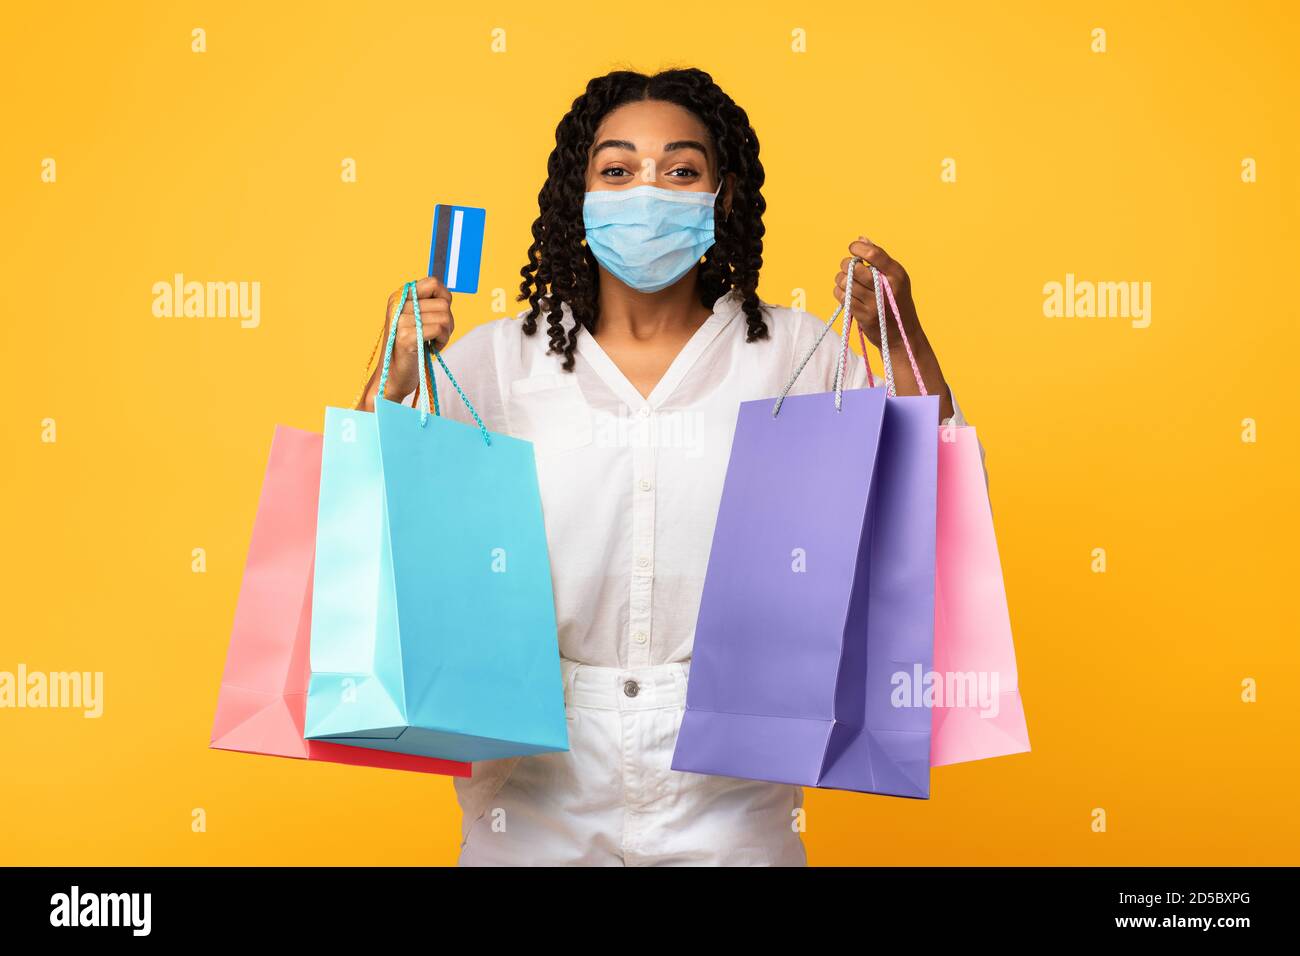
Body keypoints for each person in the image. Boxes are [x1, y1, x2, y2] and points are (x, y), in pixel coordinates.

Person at [359, 67, 976, 866]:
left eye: (680, 170)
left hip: (733, 766)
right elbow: (376, 525)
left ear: (722, 198)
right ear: (577, 198)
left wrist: (902, 336)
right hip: (537, 767)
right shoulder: (496, 362)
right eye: (617, 170)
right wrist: (395, 374)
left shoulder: (796, 352)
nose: (647, 191)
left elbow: (925, 497)